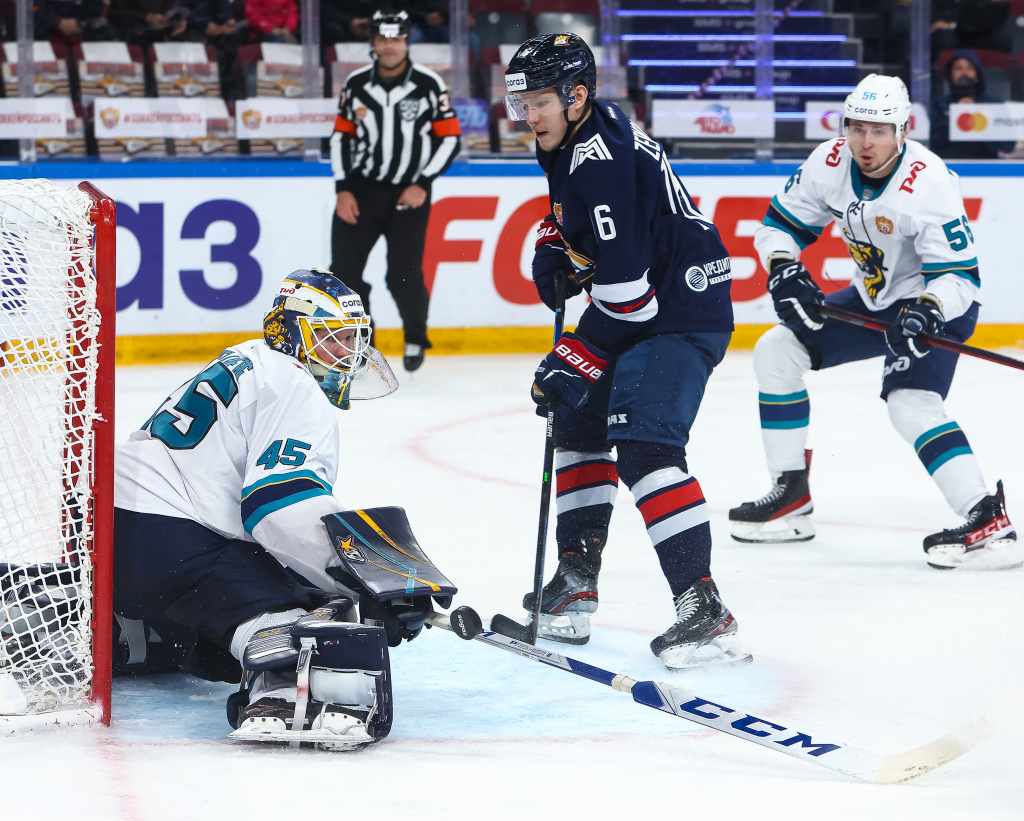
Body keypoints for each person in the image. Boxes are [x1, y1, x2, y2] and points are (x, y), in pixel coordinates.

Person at [113, 268, 458, 749]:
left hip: (112, 530)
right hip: (170, 537)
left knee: (253, 591)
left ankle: (130, 633)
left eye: (354, 338)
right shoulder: (295, 384)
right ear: (293, 332)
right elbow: (277, 506)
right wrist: (365, 579)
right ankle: (281, 695)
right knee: (315, 609)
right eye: (334, 338)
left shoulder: (249, 359)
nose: (349, 352)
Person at [504, 33, 749, 670]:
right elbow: (602, 225)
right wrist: (558, 239)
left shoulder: (601, 159)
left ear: (576, 95)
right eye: (522, 103)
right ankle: (575, 581)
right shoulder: (580, 129)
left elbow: (629, 300)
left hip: (679, 310)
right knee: (577, 423)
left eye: (538, 103)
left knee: (646, 448)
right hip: (651, 297)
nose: (528, 116)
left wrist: (576, 353)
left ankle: (705, 608)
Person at [729, 74, 1017, 570]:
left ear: (903, 131)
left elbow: (959, 278)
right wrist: (782, 266)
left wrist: (928, 310)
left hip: (935, 303)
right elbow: (778, 226)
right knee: (776, 351)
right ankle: (791, 493)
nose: (865, 142)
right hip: (874, 298)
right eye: (857, 128)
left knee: (910, 403)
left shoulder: (928, 183)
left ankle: (986, 516)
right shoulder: (828, 161)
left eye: (879, 131)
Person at [329, 9, 461, 372]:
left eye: (396, 38)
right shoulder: (355, 84)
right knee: (344, 273)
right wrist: (342, 189)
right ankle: (362, 341)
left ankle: (416, 336)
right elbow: (341, 138)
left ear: (407, 42)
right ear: (373, 42)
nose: (389, 46)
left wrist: (423, 183)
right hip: (360, 192)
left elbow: (450, 139)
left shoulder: (429, 84)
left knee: (403, 275)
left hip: (409, 195)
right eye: (382, 38)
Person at [929, 49, 1015, 160]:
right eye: (958, 68)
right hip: (949, 164)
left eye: (969, 68)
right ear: (950, 73)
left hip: (987, 165)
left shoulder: (994, 105)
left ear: (977, 73)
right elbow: (932, 142)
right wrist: (955, 117)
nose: (964, 73)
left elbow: (1008, 145)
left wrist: (980, 118)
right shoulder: (939, 105)